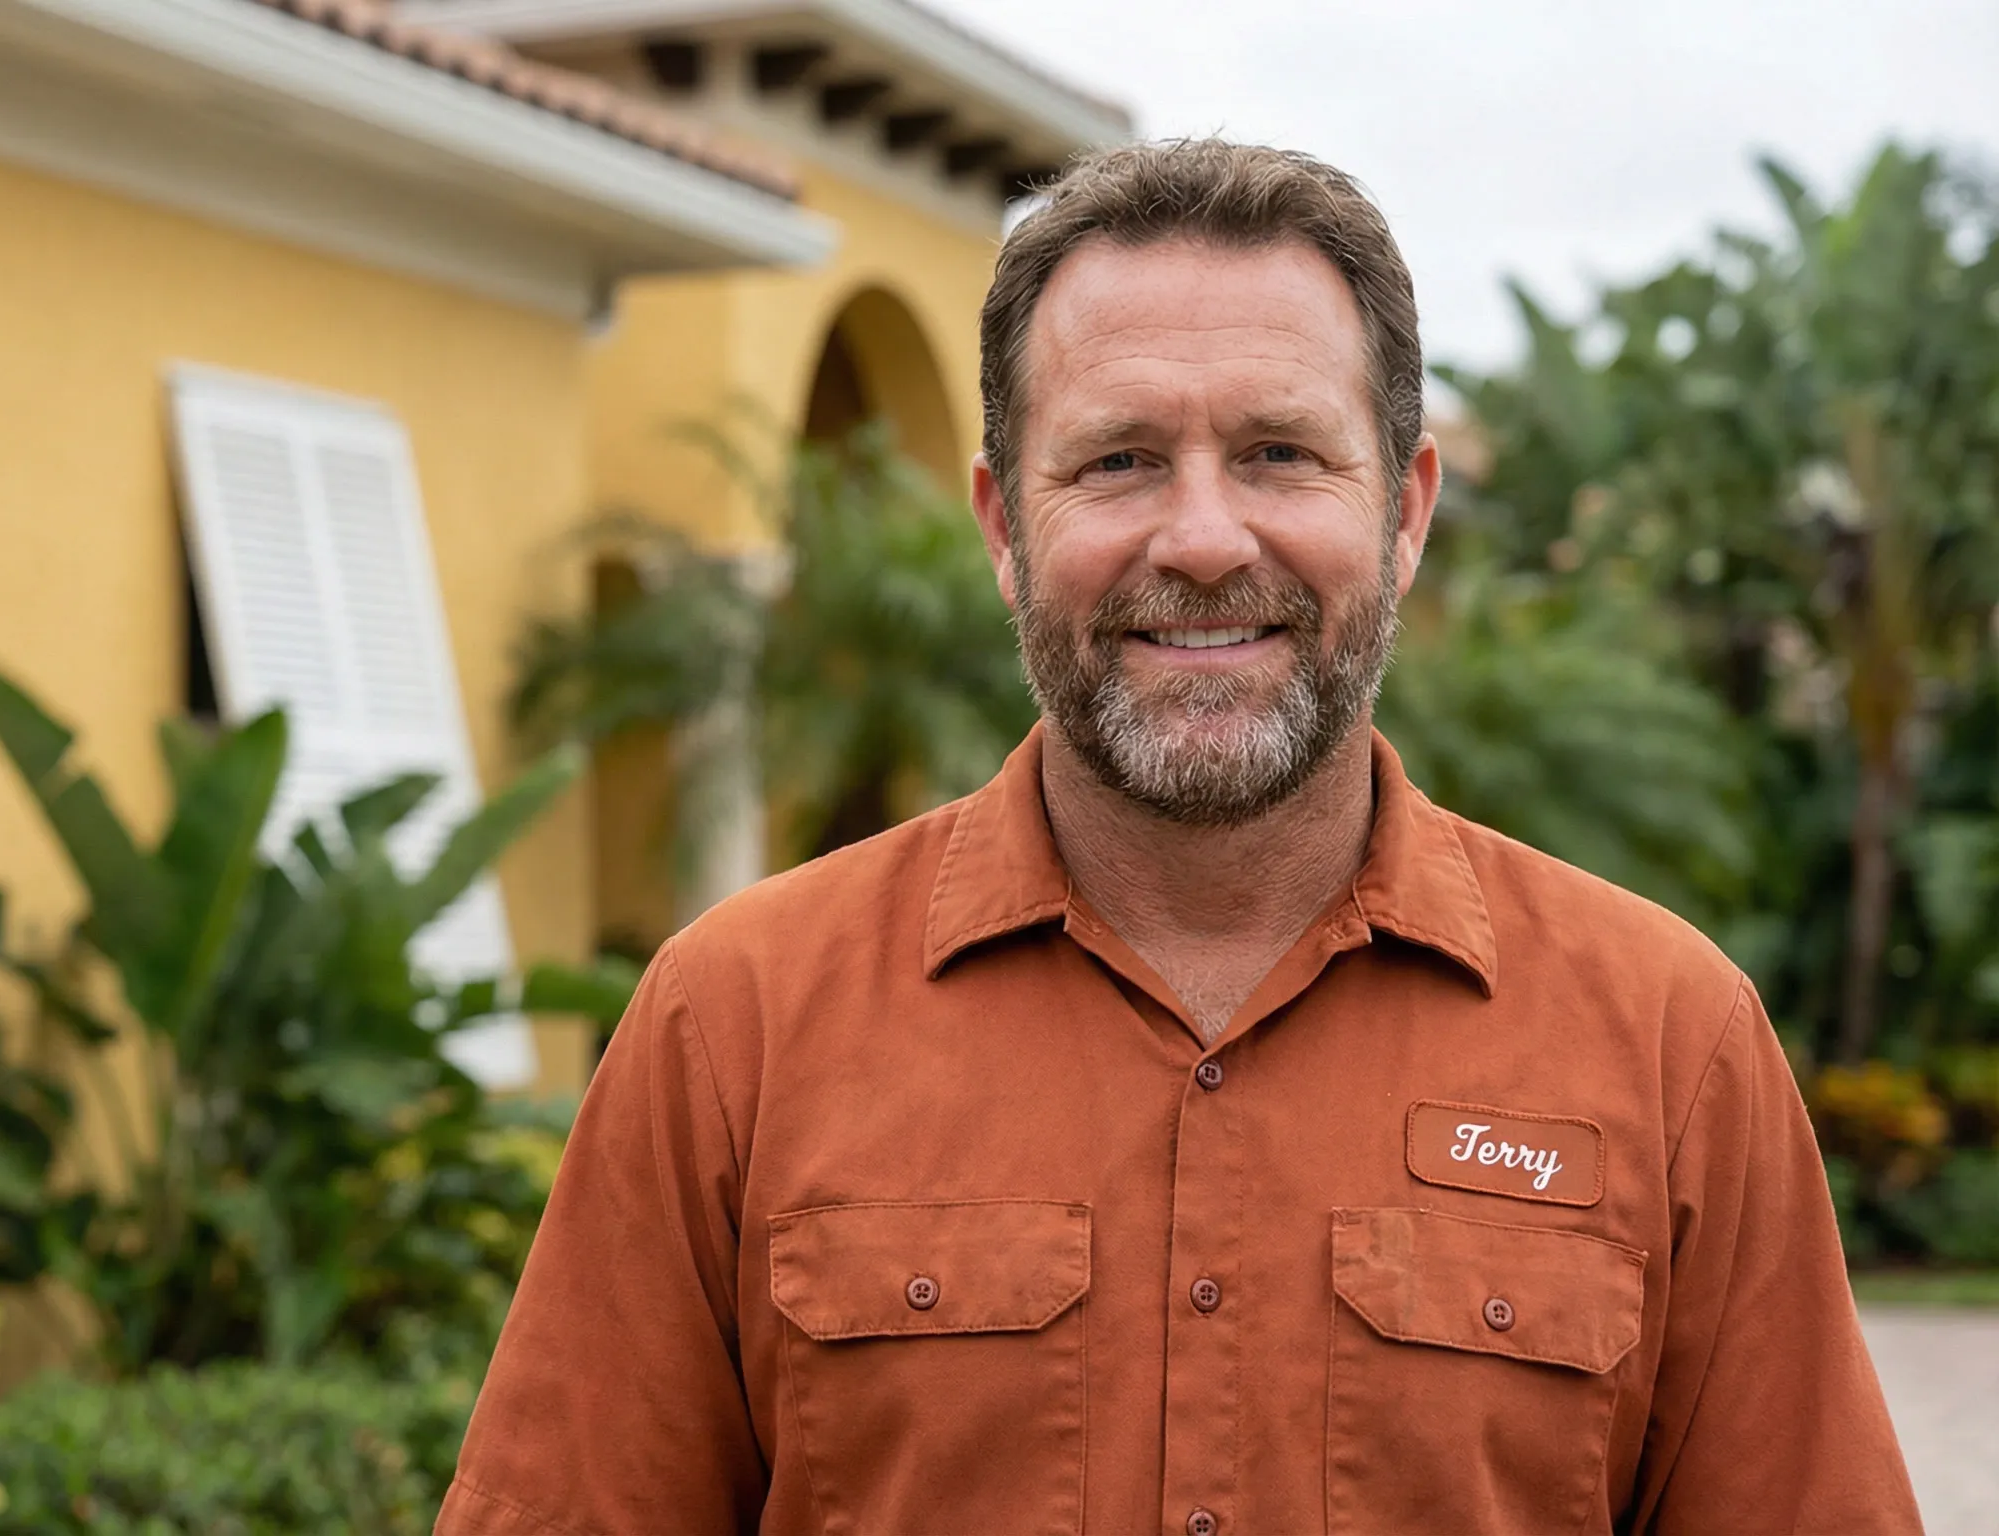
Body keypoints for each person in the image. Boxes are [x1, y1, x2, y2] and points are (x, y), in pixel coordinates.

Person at [438, 139, 1921, 1535]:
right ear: (1006, 527)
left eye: (1279, 454)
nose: (1204, 539)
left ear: (1404, 514)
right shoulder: (735, 1027)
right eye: (1119, 461)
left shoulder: (1671, 1046)